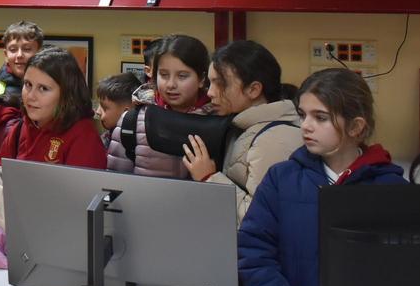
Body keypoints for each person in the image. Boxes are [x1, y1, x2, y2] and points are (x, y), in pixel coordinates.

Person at [238, 68, 406, 286]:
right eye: (302, 115)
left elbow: (401, 273)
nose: (306, 125)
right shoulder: (281, 179)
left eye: (320, 117)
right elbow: (253, 250)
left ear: (356, 127)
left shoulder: (392, 189)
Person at [181, 40, 301, 225]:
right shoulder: (241, 126)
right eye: (209, 83)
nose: (210, 93)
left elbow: (260, 219)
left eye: (219, 84)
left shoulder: (275, 139)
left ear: (253, 89)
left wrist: (209, 178)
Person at [0, 47, 106, 169]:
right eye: (28, 84)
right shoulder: (19, 129)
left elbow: (83, 187)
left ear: (66, 93)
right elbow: (0, 176)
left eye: (43, 88)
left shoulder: (84, 138)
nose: (31, 96)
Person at [124, 34, 215, 178]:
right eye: (164, 75)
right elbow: (114, 182)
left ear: (202, 79)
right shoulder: (132, 120)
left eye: (182, 76)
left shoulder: (219, 121)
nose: (171, 84)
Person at [95, 71, 144, 173]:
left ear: (126, 113)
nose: (97, 111)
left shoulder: (139, 146)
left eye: (104, 107)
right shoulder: (106, 139)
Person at [0, 21, 43, 109]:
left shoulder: (53, 84)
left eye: (27, 49)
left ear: (40, 52)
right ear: (6, 55)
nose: (19, 55)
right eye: (13, 49)